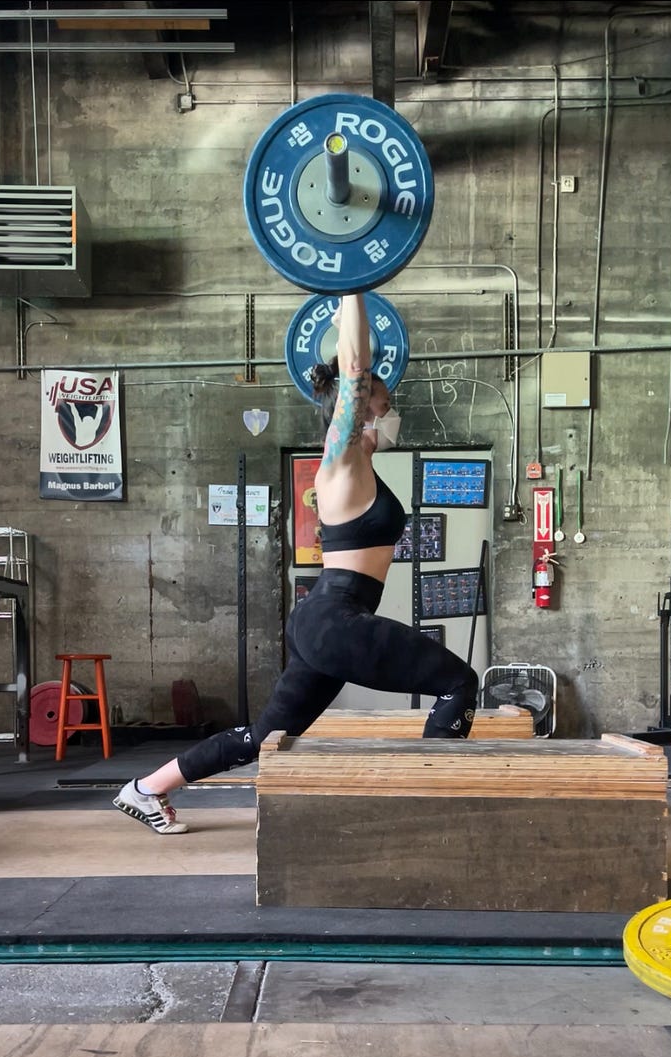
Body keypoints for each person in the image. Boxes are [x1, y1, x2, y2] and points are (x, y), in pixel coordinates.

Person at [114, 290, 479, 834]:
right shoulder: (341, 462)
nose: (389, 405)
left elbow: (370, 396)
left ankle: (145, 789)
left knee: (265, 737)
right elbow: (355, 369)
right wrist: (353, 288)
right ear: (356, 409)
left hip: (325, 621)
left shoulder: (361, 463)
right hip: (337, 619)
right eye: (382, 398)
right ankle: (427, 807)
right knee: (459, 683)